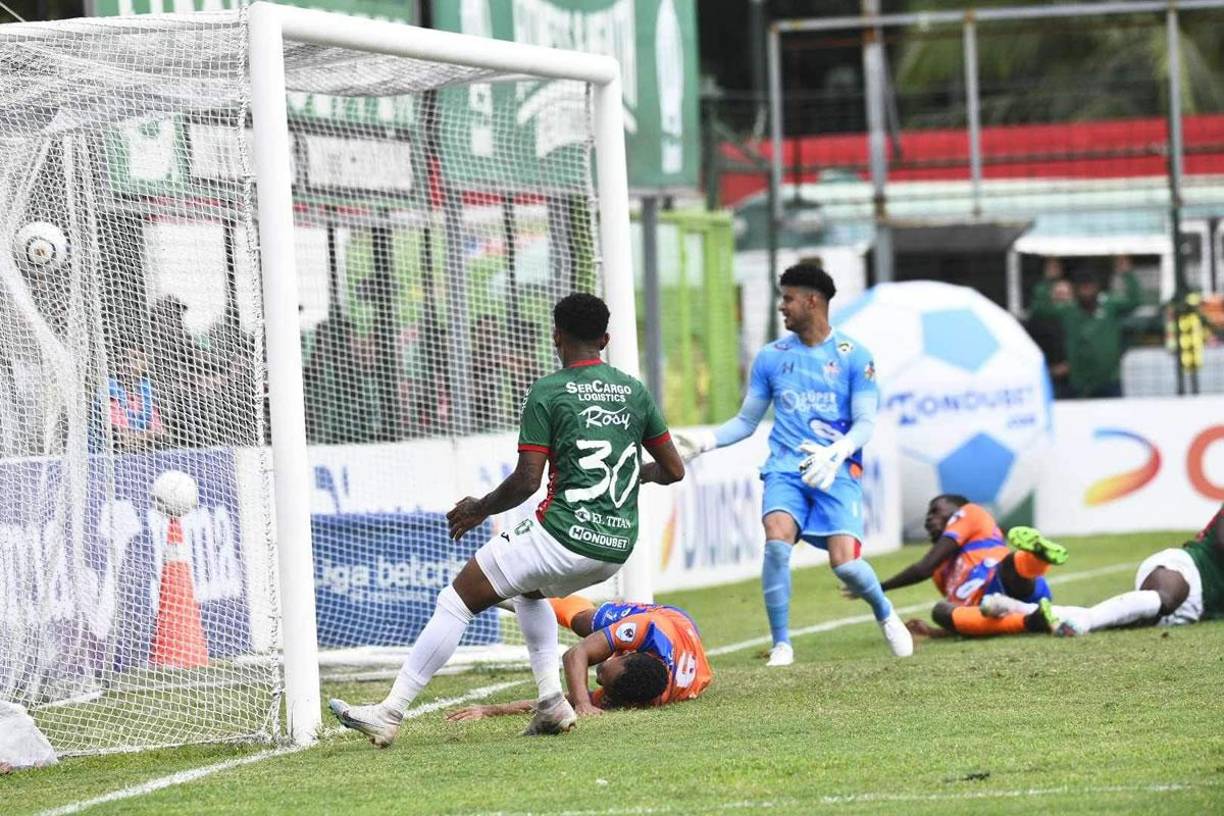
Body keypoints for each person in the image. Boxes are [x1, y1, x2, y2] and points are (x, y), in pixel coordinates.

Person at [329, 293, 686, 746]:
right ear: (606, 339)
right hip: (615, 548)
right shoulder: (634, 392)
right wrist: (636, 475)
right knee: (528, 591)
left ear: (556, 336)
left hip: (562, 537)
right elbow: (674, 470)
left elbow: (526, 481)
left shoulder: (549, 392)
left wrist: (479, 507)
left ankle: (390, 711)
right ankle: (552, 703)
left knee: (457, 600)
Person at [673, 262, 912, 666]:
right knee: (777, 541)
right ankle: (782, 643)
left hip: (836, 472)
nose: (782, 307)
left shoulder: (855, 357)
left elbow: (866, 421)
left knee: (847, 565)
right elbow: (747, 422)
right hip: (785, 468)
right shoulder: (771, 358)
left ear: (812, 301)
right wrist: (704, 441)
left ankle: (884, 612)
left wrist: (835, 453)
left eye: (788, 298)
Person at [447, 595, 711, 721]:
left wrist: (488, 711)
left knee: (595, 643)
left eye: (601, 680)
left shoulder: (634, 694)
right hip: (675, 621)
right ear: (631, 653)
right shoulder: (649, 629)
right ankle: (527, 596)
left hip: (687, 649)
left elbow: (562, 700)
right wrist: (585, 702)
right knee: (585, 623)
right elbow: (575, 653)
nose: (597, 670)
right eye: (604, 668)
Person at [980, 504, 1224, 636]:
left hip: (1195, 610)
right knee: (1167, 598)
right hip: (1188, 568)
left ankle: (1016, 608)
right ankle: (1084, 622)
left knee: (1114, 623)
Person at [878, 495, 1068, 638]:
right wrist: (932, 632)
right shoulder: (940, 572)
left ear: (957, 511)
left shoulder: (971, 513)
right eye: (928, 514)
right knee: (941, 611)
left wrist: (877, 587)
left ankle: (1037, 556)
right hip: (986, 610)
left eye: (936, 511)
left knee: (1009, 564)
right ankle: (1033, 619)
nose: (928, 519)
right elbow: (962, 617)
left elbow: (922, 569)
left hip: (1009, 580)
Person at [1030, 259, 1141, 399]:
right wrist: (1049, 281)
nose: (1086, 291)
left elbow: (1135, 300)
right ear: (1076, 290)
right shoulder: (1069, 310)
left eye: (1090, 286)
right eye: (1082, 288)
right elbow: (1039, 309)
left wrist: (1127, 274)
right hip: (1080, 384)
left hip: (1110, 380)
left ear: (1097, 287)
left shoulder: (1109, 306)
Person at [101, 343, 166, 452]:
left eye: (136, 359)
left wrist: (142, 436)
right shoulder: (111, 392)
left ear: (145, 365)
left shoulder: (146, 392)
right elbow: (122, 438)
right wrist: (149, 436)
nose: (129, 364)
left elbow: (161, 433)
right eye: (125, 359)